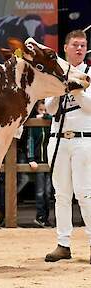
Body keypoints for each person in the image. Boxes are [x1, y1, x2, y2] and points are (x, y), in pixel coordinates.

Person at [44, 30, 91, 263]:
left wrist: (77, 89)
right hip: (59, 138)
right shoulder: (55, 74)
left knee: (85, 193)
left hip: (84, 139)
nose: (79, 49)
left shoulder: (90, 73)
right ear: (65, 47)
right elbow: (50, 109)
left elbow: (90, 107)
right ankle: (63, 244)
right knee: (61, 194)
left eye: (83, 45)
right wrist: (61, 89)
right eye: (75, 45)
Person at [27, 100, 53, 228]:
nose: (43, 113)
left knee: (48, 192)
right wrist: (31, 158)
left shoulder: (51, 122)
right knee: (39, 191)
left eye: (45, 110)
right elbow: (30, 140)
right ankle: (40, 217)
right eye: (40, 110)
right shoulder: (33, 123)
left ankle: (46, 217)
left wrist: (46, 116)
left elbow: (53, 118)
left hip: (49, 161)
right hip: (38, 161)